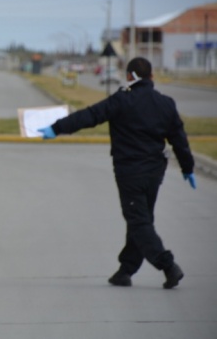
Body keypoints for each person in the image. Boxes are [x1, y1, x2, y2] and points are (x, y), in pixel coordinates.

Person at [38, 57, 196, 289]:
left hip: (130, 171)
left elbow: (90, 116)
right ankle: (125, 270)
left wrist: (56, 128)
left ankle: (168, 266)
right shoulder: (166, 103)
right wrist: (187, 167)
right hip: (154, 172)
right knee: (141, 220)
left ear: (131, 76)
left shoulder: (123, 100)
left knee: (139, 221)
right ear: (151, 77)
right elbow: (179, 139)